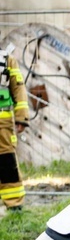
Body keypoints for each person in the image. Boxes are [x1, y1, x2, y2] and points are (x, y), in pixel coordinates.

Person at [0, 47, 30, 211]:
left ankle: (14, 204)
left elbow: (18, 88)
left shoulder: (7, 60)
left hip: (2, 123)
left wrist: (21, 117)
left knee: (6, 162)